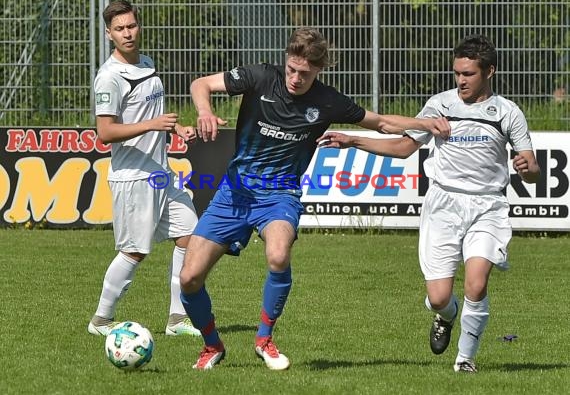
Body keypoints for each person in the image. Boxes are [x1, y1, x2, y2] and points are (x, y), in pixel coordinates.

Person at [178, 26, 451, 370]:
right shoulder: (261, 77)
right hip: (235, 192)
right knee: (189, 278)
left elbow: (381, 123)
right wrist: (204, 110)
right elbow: (200, 84)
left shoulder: (327, 101)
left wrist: (425, 123)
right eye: (291, 69)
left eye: (304, 73)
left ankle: (264, 340)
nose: (295, 78)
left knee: (278, 254)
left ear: (319, 69)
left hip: (280, 194)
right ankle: (212, 346)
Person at [318, 34, 541, 373]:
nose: (461, 81)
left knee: (477, 283)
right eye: (457, 73)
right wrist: (352, 140)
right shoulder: (440, 105)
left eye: (469, 74)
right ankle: (445, 315)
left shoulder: (508, 112)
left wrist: (529, 169)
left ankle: (465, 360)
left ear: (489, 72)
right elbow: (403, 147)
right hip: (443, 204)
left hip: (487, 207)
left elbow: (531, 168)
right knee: (439, 297)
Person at [88, 0, 201, 337]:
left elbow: (152, 116)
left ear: (139, 26)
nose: (128, 33)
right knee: (134, 251)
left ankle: (177, 320)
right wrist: (153, 124)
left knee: (191, 236)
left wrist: (175, 128)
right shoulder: (109, 77)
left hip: (160, 173)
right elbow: (105, 132)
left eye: (132, 26)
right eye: (120, 28)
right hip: (132, 178)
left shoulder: (148, 64)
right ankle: (101, 320)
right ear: (109, 34)